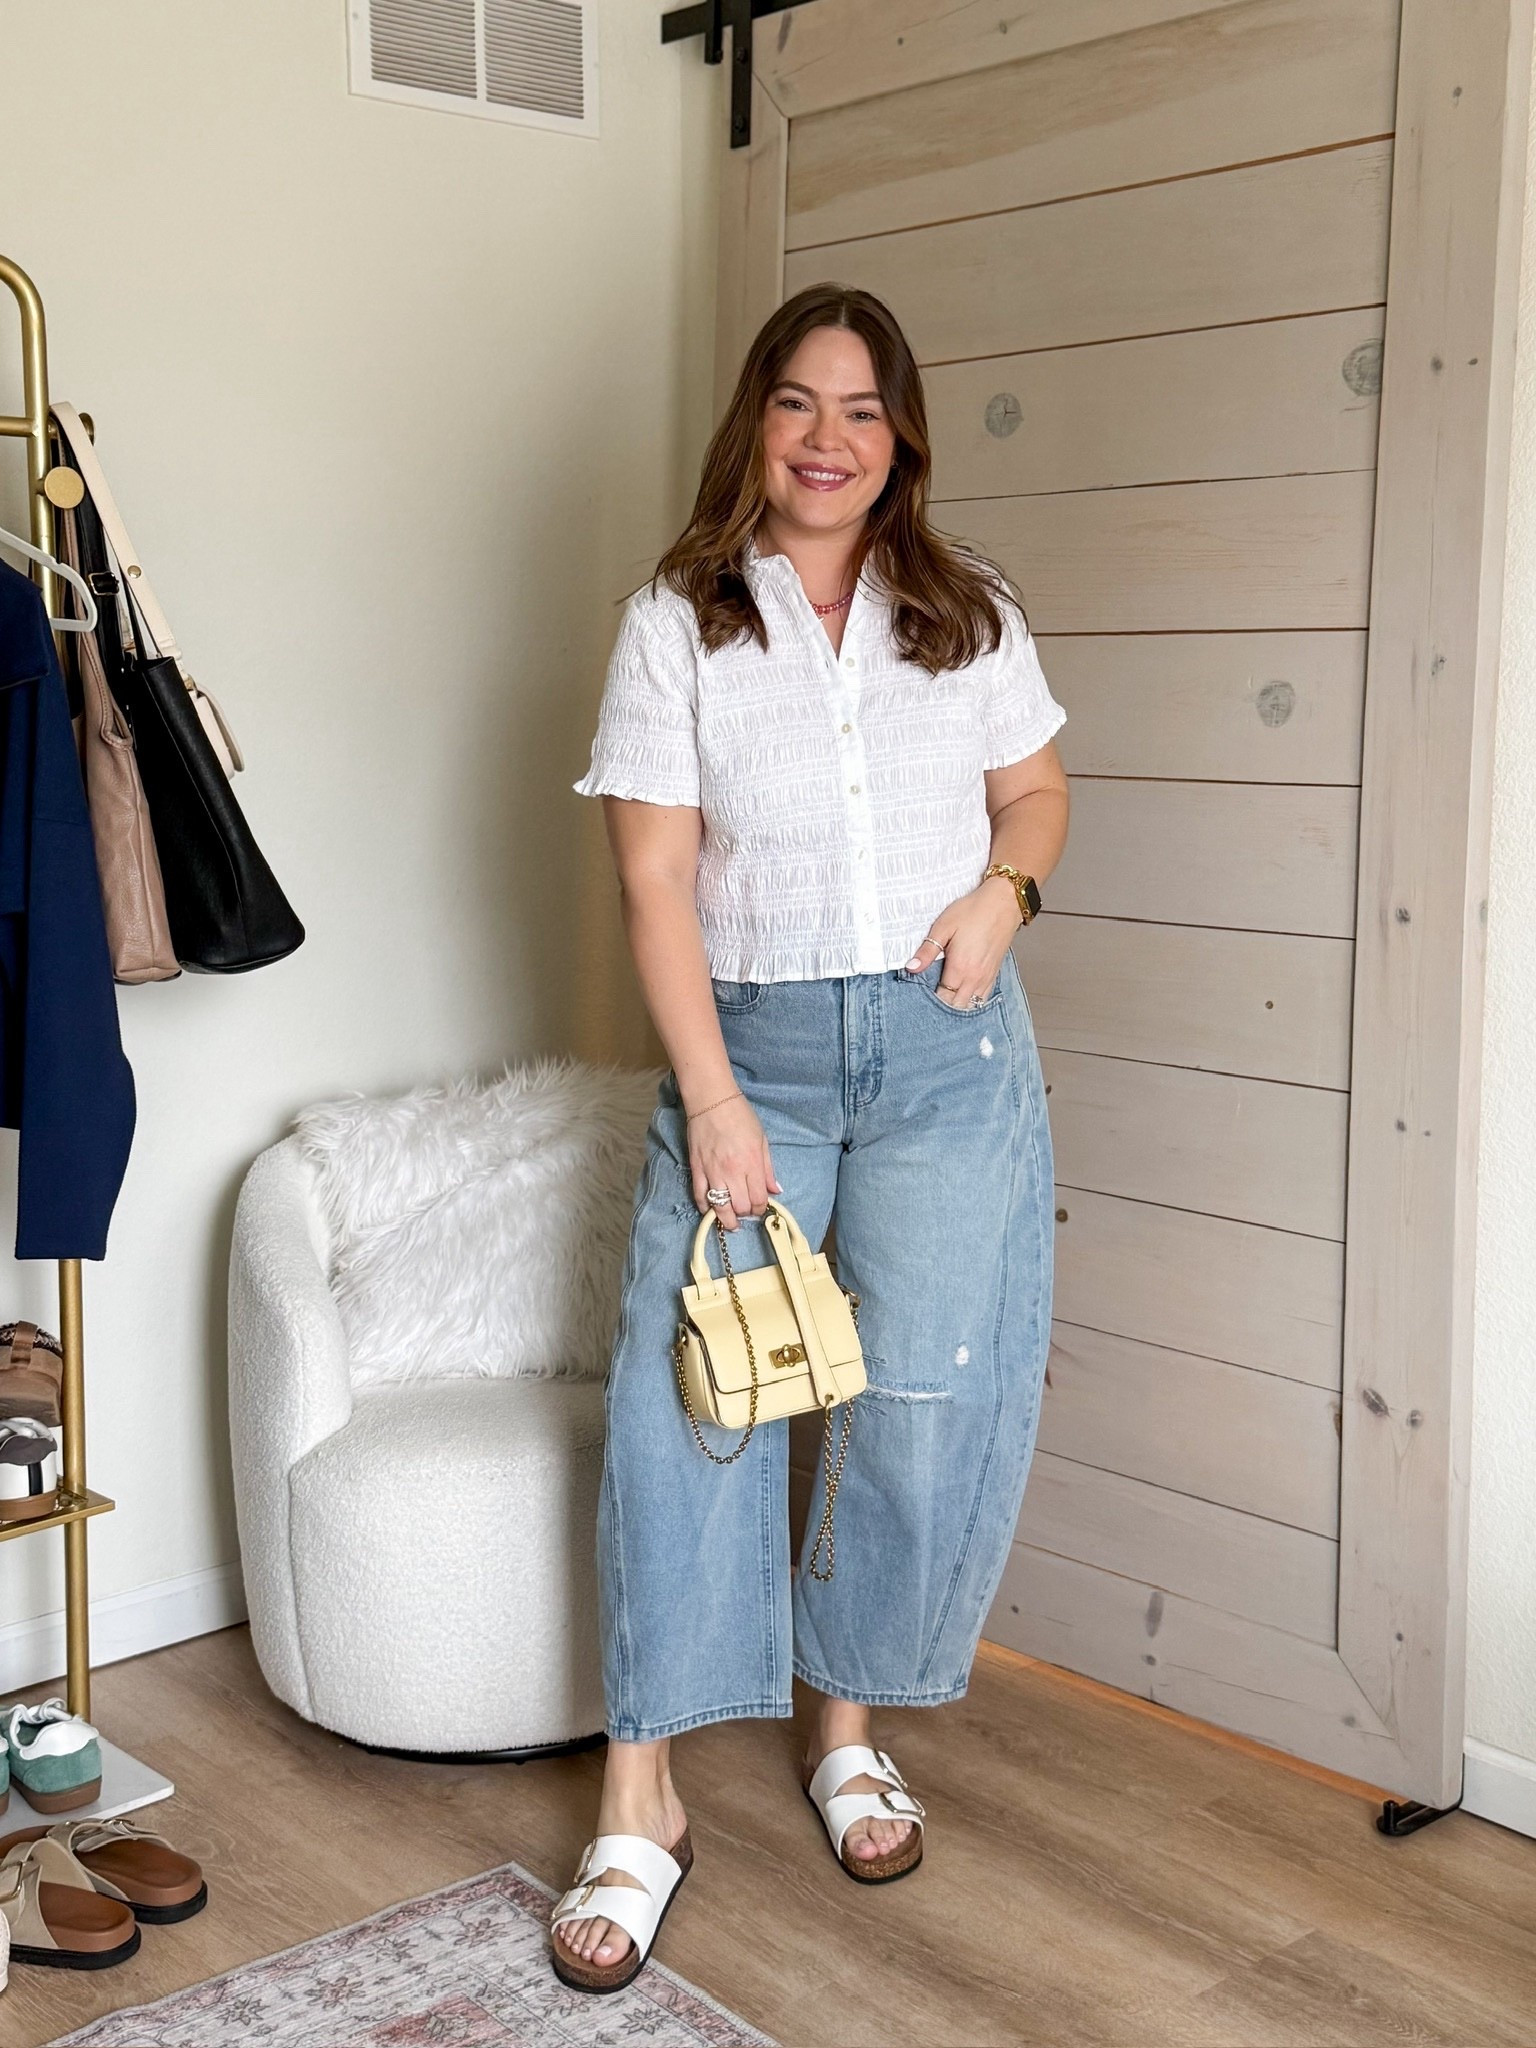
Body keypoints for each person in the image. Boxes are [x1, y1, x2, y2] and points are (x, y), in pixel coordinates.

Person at [553, 282, 1069, 1992]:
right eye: (796, 405)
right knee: (685, 1404)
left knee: (911, 1396)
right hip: (753, 1049)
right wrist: (711, 1098)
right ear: (754, 426)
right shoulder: (676, 619)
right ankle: (645, 1798)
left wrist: (1006, 894)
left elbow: (1038, 792)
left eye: (859, 409)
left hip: (942, 1049)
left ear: (899, 434)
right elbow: (651, 875)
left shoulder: (968, 608)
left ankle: (844, 1729)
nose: (827, 439)